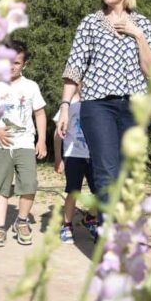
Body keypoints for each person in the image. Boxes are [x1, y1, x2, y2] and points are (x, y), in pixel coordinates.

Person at [56, 0, 151, 227]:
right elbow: (75, 66)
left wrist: (138, 35)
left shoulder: (143, 23)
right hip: (97, 105)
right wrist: (65, 106)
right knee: (106, 171)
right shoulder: (90, 22)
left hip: (134, 105)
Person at [0, 40, 47, 247]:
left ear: (24, 64)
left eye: (16, 62)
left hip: (25, 143)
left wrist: (42, 140)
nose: (11, 66)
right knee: (0, 187)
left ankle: (22, 221)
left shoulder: (31, 86)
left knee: (29, 183)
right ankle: (0, 228)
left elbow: (40, 113)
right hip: (0, 145)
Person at [52, 90, 98, 243]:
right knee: (73, 191)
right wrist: (58, 158)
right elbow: (58, 133)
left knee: (101, 191)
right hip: (73, 154)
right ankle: (67, 225)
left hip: (95, 155)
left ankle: (91, 218)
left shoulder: (98, 100)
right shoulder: (68, 104)